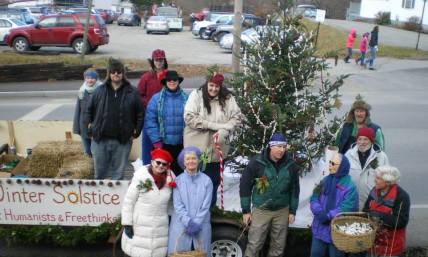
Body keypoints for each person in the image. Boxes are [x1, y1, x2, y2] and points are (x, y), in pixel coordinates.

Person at [184, 73, 242, 205]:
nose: (214, 89)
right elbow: (189, 117)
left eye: (217, 86)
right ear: (206, 84)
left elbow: (237, 117)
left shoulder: (228, 98)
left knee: (212, 183)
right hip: (197, 149)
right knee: (194, 184)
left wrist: (224, 130)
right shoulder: (196, 95)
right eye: (211, 85)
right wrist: (216, 126)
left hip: (217, 150)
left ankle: (209, 215)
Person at [239, 133, 301, 257]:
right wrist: (245, 210)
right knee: (254, 244)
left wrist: (292, 211)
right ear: (270, 147)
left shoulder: (291, 165)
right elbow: (245, 186)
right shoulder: (256, 163)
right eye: (278, 146)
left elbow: (295, 189)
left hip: (282, 210)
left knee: (278, 247)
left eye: (284, 147)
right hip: (261, 210)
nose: (282, 150)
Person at [85, 58, 144, 180]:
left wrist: (136, 132)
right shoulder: (99, 91)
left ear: (123, 73)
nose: (116, 74)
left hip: (122, 141)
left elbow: (140, 113)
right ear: (109, 73)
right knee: (99, 175)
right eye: (113, 71)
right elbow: (88, 110)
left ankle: (117, 199)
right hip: (100, 139)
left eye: (118, 71)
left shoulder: (132, 92)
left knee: (118, 175)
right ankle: (100, 197)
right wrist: (90, 127)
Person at [121, 148, 176, 257]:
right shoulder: (141, 176)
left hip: (160, 226)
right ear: (152, 162)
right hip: (140, 226)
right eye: (158, 162)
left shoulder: (171, 179)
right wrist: (127, 223)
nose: (160, 166)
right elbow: (129, 202)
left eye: (164, 164)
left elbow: (171, 203)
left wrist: (171, 218)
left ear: (167, 166)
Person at [310, 154, 358, 257]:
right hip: (320, 228)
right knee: (315, 254)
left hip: (337, 231)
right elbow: (314, 197)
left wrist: (328, 216)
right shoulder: (324, 181)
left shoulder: (350, 186)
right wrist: (319, 212)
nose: (329, 166)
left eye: (333, 163)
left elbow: (347, 207)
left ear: (342, 166)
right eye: (329, 162)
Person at [167, 146, 213, 256]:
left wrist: (196, 222)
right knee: (179, 253)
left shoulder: (207, 181)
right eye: (187, 159)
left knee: (202, 253)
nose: (191, 161)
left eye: (194, 158)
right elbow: (178, 205)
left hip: (201, 225)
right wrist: (188, 222)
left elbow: (206, 205)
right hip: (181, 225)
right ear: (183, 162)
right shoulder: (178, 180)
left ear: (199, 160)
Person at [144, 70, 188, 176]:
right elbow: (150, 121)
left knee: (179, 175)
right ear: (165, 82)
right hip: (162, 145)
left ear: (178, 81)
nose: (172, 82)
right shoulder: (156, 99)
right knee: (161, 174)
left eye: (174, 80)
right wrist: (156, 141)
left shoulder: (186, 98)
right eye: (169, 80)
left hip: (181, 144)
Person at [362, 165, 410, 257]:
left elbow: (401, 222)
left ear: (388, 182)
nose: (375, 180)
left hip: (391, 246)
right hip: (373, 243)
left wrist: (379, 216)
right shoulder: (374, 190)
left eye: (378, 178)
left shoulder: (401, 197)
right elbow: (366, 210)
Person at [345, 127, 389, 209]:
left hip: (373, 204)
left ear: (371, 141)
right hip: (351, 203)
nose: (362, 142)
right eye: (359, 139)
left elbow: (387, 180)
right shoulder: (348, 155)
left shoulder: (381, 156)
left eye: (365, 139)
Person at [138, 49, 168, 165]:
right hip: (149, 116)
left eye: (161, 60)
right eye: (156, 60)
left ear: (164, 61)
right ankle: (146, 168)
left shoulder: (168, 76)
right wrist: (149, 104)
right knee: (147, 144)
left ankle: (162, 168)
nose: (159, 62)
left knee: (162, 145)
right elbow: (139, 95)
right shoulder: (146, 77)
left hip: (166, 117)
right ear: (153, 61)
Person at [72, 68, 102, 156]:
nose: (90, 80)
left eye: (92, 78)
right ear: (85, 79)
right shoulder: (82, 91)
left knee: (96, 149)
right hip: (84, 123)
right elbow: (78, 109)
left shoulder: (101, 90)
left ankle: (96, 165)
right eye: (87, 78)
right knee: (87, 149)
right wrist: (76, 126)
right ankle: (87, 157)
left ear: (96, 79)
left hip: (97, 123)